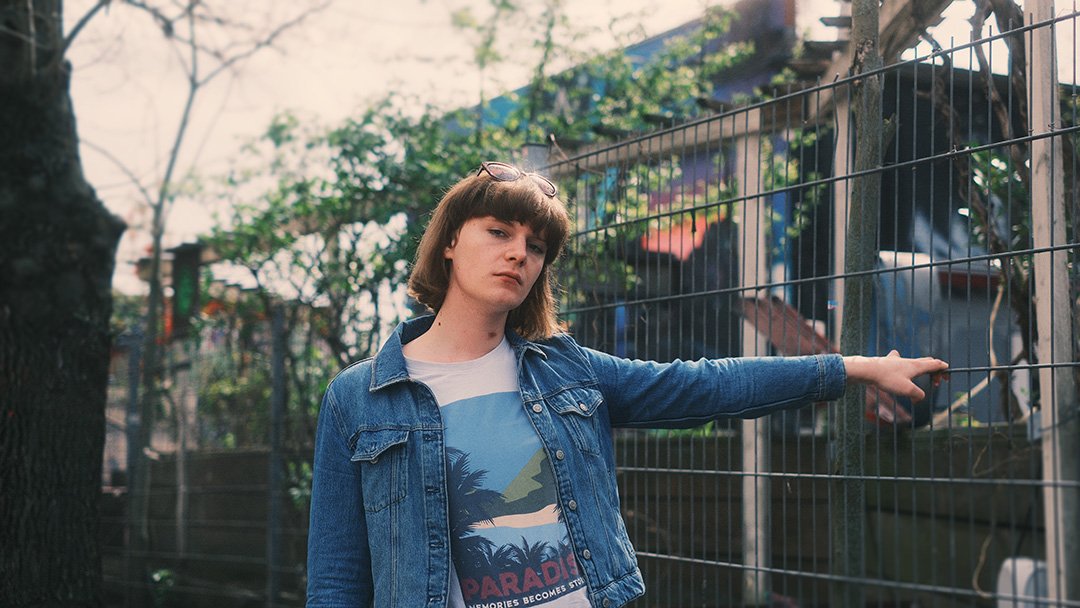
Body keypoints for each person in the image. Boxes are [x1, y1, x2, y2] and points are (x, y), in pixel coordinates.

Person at [305, 161, 948, 608]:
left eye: (536, 246)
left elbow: (704, 387)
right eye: (498, 232)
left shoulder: (566, 369)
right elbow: (336, 579)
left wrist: (851, 369)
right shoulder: (359, 399)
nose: (519, 254)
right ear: (449, 243)